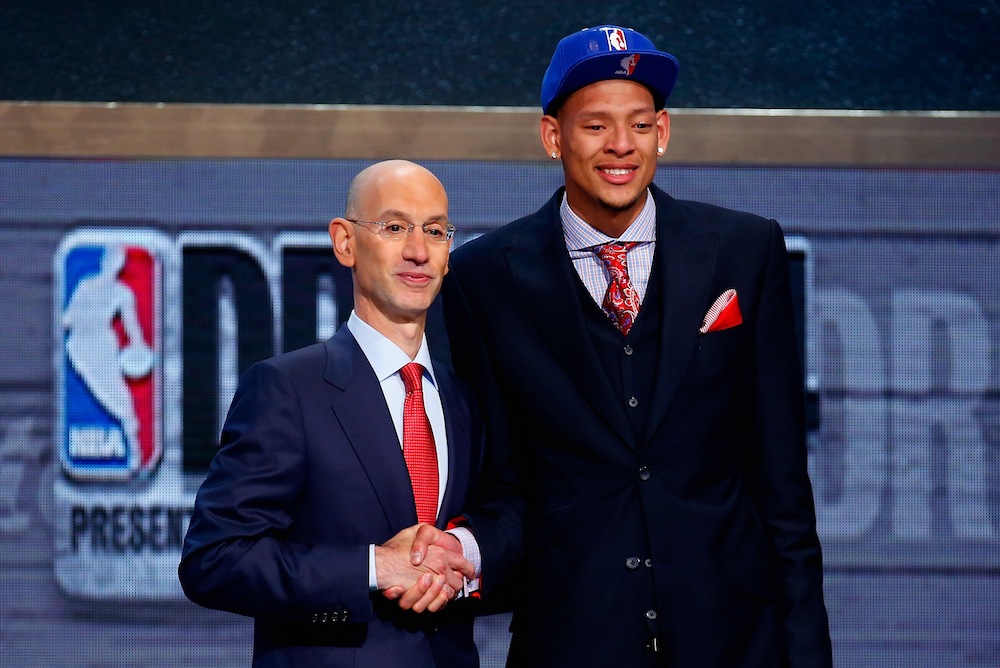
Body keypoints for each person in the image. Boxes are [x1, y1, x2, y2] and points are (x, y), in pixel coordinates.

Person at [413, 25, 833, 667]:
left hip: (734, 640)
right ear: (553, 136)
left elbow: (782, 483)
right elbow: (503, 481)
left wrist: (806, 654)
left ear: (662, 131)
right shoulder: (483, 277)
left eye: (639, 125)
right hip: (574, 637)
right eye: (596, 126)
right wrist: (466, 552)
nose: (621, 146)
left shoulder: (744, 252)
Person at [179, 160, 484, 668]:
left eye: (434, 231)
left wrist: (463, 553)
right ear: (345, 242)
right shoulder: (286, 388)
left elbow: (509, 533)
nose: (418, 250)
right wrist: (373, 568)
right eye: (394, 227)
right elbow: (214, 560)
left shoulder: (466, 401)